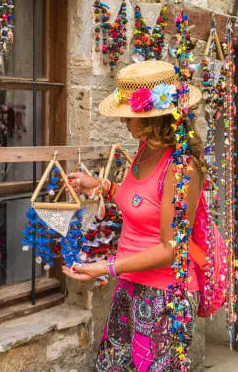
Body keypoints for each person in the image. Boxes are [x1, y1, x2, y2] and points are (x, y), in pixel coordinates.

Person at [64, 60, 205, 371]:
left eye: (129, 115)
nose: (123, 120)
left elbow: (172, 249)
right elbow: (142, 202)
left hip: (165, 296)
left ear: (152, 119)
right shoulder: (145, 150)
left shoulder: (182, 168)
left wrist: (105, 267)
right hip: (130, 285)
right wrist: (101, 186)